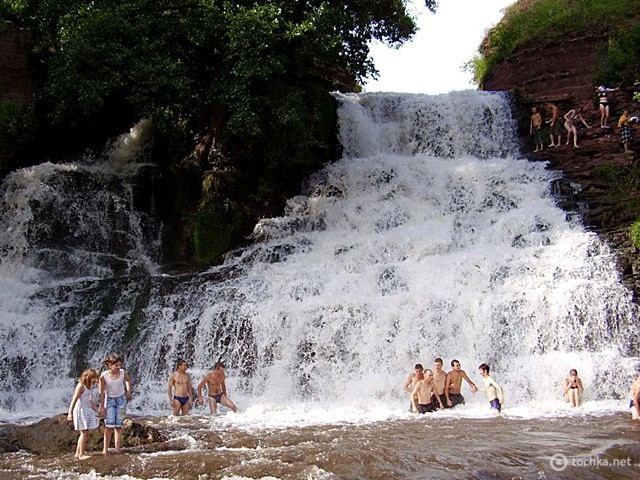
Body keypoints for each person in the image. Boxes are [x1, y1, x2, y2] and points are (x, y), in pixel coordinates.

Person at [99, 354, 133, 455]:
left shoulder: (122, 373)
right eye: (116, 365)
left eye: (120, 365)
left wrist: (128, 391)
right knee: (109, 425)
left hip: (121, 401)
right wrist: (101, 407)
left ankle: (117, 449)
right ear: (110, 365)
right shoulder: (103, 376)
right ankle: (105, 450)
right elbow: (101, 393)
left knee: (119, 425)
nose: (119, 367)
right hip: (110, 401)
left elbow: (128, 380)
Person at [67, 368, 100, 460]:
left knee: (85, 432)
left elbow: (90, 401)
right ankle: (81, 454)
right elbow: (74, 399)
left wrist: (97, 410)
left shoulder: (89, 387)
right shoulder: (81, 386)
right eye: (94, 378)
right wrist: (70, 413)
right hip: (80, 411)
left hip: (86, 410)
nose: (96, 381)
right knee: (84, 432)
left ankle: (78, 453)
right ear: (89, 377)